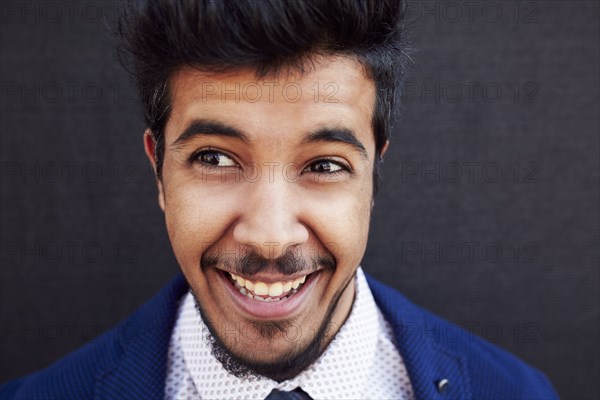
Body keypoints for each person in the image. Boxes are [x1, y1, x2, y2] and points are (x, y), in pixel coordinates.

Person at [0, 1, 558, 399]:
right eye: (214, 159)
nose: (269, 235)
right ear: (159, 171)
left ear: (374, 174)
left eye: (323, 165)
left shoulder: (517, 393)